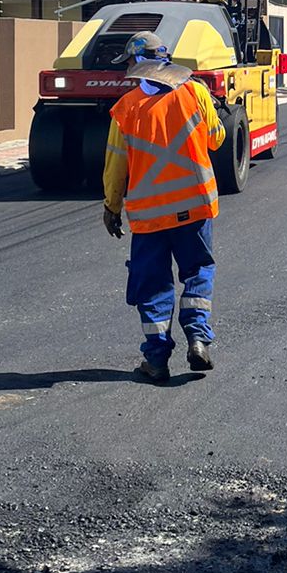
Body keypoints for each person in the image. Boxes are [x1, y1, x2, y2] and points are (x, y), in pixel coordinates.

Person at [102, 31, 226, 383]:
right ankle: (199, 338)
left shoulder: (125, 109)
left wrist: (111, 207)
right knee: (198, 271)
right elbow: (216, 139)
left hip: (149, 216)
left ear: (138, 65)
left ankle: (156, 360)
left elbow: (115, 167)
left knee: (154, 285)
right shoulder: (195, 93)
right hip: (195, 208)